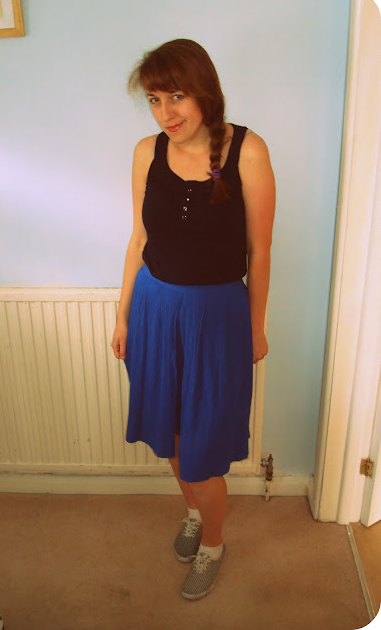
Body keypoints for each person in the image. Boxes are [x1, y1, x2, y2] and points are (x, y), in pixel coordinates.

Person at [111, 39, 275, 600]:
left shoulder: (247, 150)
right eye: (154, 100)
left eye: (176, 96)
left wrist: (256, 327)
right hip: (155, 310)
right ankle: (195, 514)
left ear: (205, 90)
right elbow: (139, 239)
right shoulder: (146, 152)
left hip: (216, 318)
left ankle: (214, 543)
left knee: (202, 450)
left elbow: (259, 251)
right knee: (173, 436)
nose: (166, 113)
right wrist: (124, 315)